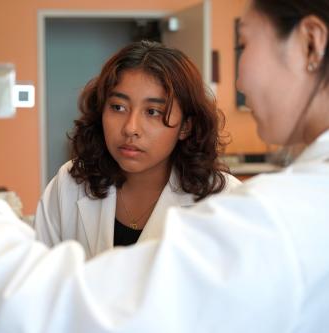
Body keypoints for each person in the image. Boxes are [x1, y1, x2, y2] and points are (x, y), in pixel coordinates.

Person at [0, 0, 329, 331]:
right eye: (118, 107)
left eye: (243, 44)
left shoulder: (279, 211)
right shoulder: (71, 184)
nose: (237, 79)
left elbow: (56, 308)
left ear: (311, 43)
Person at [33, 42, 240, 258]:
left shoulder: (225, 201)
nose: (130, 128)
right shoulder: (70, 183)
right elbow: (39, 278)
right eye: (118, 107)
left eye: (152, 111)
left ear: (185, 126)